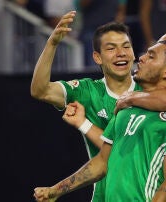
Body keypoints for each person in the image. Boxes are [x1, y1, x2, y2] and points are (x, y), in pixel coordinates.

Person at [33, 30, 166, 201]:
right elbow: (102, 162)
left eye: (151, 56)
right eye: (111, 48)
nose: (141, 58)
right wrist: (55, 191)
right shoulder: (127, 106)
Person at [30, 11, 141, 202]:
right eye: (111, 48)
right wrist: (52, 44)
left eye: (126, 46)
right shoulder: (87, 91)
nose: (121, 53)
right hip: (105, 196)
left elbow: (124, 152)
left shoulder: (151, 90)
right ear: (97, 58)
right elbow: (41, 91)